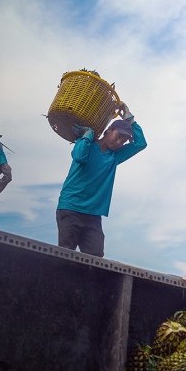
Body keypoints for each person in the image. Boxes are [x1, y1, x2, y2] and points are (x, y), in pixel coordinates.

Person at [56, 103, 146, 257]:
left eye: (123, 141)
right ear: (108, 131)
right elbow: (78, 157)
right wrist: (88, 135)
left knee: (96, 257)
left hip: (93, 215)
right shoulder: (87, 143)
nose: (119, 143)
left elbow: (140, 143)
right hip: (70, 208)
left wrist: (129, 118)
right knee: (65, 254)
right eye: (118, 136)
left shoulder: (115, 157)